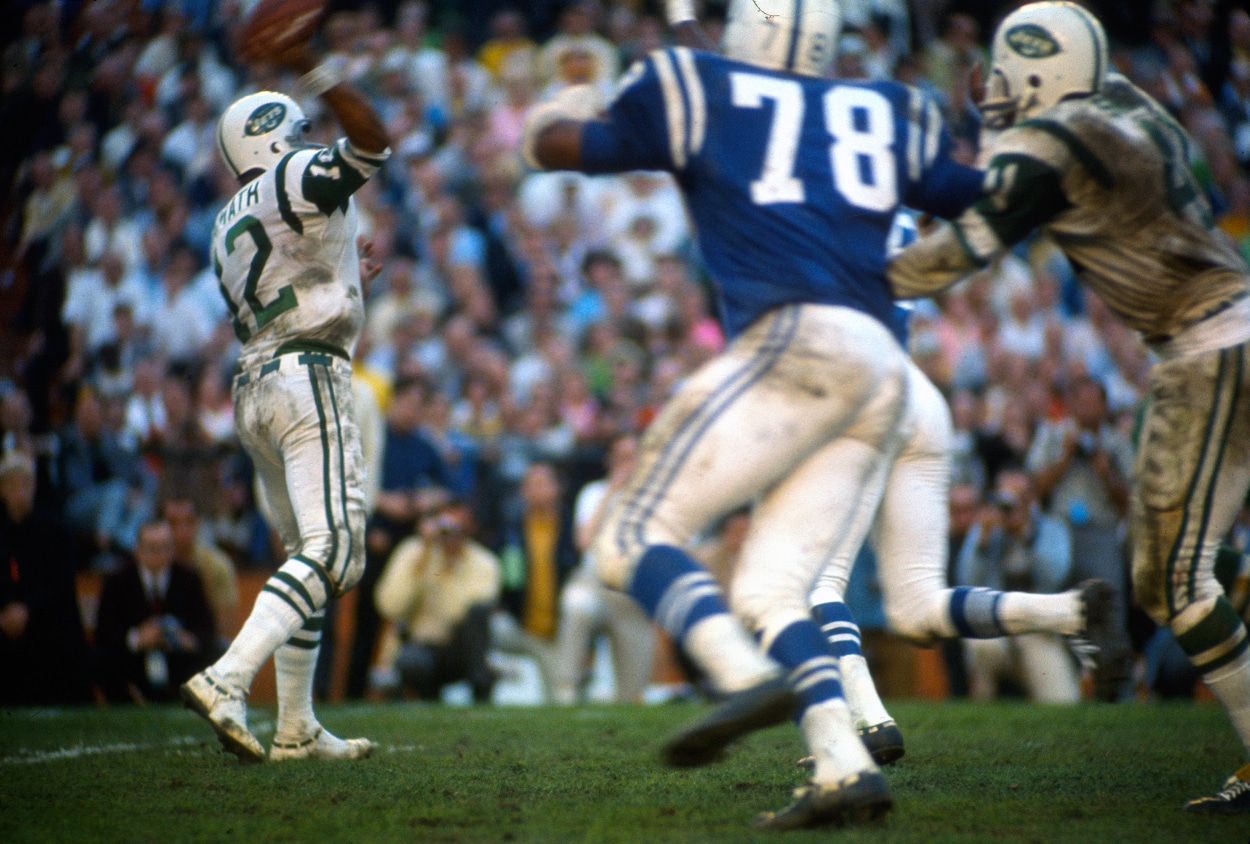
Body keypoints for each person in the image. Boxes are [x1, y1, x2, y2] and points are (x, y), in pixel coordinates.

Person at [524, 0, 987, 828]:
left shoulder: (698, 83)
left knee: (628, 533)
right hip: (886, 364)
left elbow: (563, 149)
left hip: (797, 341)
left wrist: (562, 100)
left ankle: (738, 679)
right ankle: (843, 766)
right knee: (775, 590)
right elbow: (972, 195)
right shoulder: (887, 106)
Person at [889, 1, 1250, 814]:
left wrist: (852, 280)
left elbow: (965, 245)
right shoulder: (1129, 100)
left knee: (1169, 577)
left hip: (1204, 355)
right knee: (1195, 565)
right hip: (1234, 327)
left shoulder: (1050, 142)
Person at [180, 29, 390, 763]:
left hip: (256, 386)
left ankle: (295, 727)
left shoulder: (225, 218)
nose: (311, 137)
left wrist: (348, 275)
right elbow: (373, 141)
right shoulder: (294, 175)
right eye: (297, 131)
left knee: (307, 551)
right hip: (307, 377)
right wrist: (314, 60)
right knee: (336, 552)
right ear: (273, 139)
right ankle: (227, 677)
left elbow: (289, 280)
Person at [1027, 375, 1136, 699]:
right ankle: (1063, 691)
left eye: (1094, 402)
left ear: (1105, 407)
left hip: (1102, 533)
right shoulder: (1052, 434)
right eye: (1081, 402)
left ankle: (1119, 695)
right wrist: (1065, 457)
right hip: (1059, 531)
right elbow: (1034, 487)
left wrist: (1105, 472)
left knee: (1110, 609)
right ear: (1071, 404)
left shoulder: (1116, 442)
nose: (1087, 409)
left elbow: (1129, 501)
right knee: (1061, 607)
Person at [955, 468, 1081, 703]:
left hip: (1037, 628)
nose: (1009, 508)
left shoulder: (1052, 528)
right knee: (980, 644)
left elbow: (1054, 576)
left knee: (1062, 701)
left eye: (1017, 499)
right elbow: (966, 579)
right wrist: (982, 541)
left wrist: (1026, 534)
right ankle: (984, 704)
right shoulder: (987, 528)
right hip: (995, 626)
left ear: (1030, 500)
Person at [553, 434, 656, 704]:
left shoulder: (656, 497)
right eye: (621, 457)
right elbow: (583, 541)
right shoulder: (593, 493)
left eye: (632, 457)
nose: (627, 463)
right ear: (610, 461)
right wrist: (612, 492)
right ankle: (566, 690)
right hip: (594, 582)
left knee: (632, 692)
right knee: (576, 605)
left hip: (633, 592)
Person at [373, 497, 500, 703]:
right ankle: (428, 699)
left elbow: (459, 614)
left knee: (478, 614)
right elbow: (390, 607)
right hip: (420, 645)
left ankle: (480, 692)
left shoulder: (485, 562)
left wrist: (450, 565)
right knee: (412, 662)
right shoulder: (413, 551)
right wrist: (423, 557)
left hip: (460, 649)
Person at [0, 450, 91, 705]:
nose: (20, 492)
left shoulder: (55, 529)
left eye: (25, 484)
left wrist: (27, 610)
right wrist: (7, 610)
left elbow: (60, 581)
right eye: (13, 485)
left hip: (48, 622)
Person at [95, 519, 215, 703]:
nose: (159, 555)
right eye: (152, 548)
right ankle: (127, 702)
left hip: (178, 658)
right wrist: (136, 638)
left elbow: (206, 625)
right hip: (133, 659)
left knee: (218, 651)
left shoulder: (189, 578)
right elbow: (104, 630)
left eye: (164, 547)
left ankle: (189, 701)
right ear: (137, 549)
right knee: (100, 658)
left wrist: (189, 639)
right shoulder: (116, 580)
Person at [491, 460, 579, 702]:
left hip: (561, 630)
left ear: (557, 488)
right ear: (523, 491)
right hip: (522, 626)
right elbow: (504, 576)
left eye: (543, 483)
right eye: (532, 484)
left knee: (562, 701)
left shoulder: (573, 527)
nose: (538, 490)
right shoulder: (511, 529)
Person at [162, 495, 239, 653]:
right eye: (173, 522)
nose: (181, 529)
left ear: (198, 523)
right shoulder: (150, 560)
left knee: (223, 647)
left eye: (188, 521)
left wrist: (195, 639)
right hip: (158, 642)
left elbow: (224, 627)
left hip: (201, 642)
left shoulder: (218, 565)